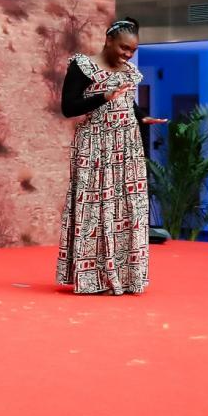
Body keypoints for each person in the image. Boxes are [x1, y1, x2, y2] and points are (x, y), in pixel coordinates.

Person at [56, 18, 167, 295]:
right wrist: (102, 97)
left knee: (126, 212)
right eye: (124, 48)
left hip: (127, 148)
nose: (128, 54)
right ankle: (94, 278)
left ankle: (125, 277)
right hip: (95, 147)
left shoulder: (129, 72)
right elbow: (69, 107)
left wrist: (143, 117)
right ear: (108, 40)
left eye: (133, 50)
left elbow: (127, 102)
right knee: (96, 210)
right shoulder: (83, 66)